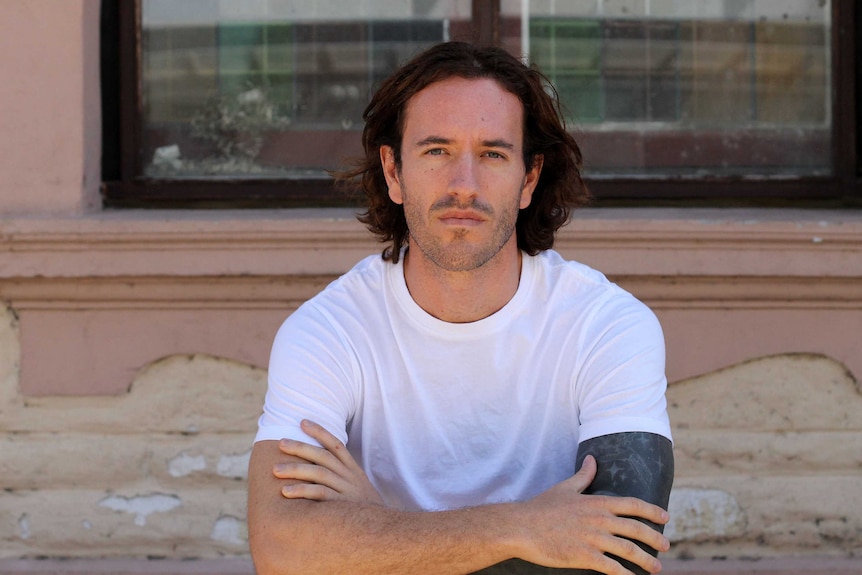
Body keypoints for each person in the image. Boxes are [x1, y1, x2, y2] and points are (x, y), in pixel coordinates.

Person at [247, 41, 674, 575]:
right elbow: (281, 551)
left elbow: (617, 554)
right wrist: (523, 526)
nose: (464, 186)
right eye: (436, 151)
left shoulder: (606, 326)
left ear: (530, 178)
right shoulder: (328, 332)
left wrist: (374, 528)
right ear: (394, 172)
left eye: (493, 154)